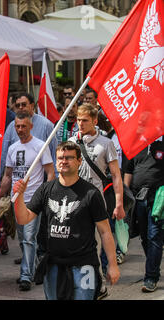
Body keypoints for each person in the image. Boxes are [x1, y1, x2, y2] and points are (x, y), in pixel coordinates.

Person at [12, 141, 120, 300]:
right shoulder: (45, 190)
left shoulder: (91, 193)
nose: (64, 161)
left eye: (69, 158)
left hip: (84, 265)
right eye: (61, 158)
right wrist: (19, 196)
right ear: (56, 161)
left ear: (79, 161)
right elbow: (23, 219)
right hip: (54, 264)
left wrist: (112, 265)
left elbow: (105, 231)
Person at [69, 103, 125, 299]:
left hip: (96, 203)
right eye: (78, 120)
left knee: (95, 246)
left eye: (85, 120)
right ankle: (79, 282)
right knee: (74, 244)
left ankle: (97, 284)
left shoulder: (106, 143)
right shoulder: (71, 143)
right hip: (73, 203)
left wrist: (119, 203)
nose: (80, 124)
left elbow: (116, 175)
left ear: (94, 121)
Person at [0, 111, 55, 291]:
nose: (20, 129)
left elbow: (50, 172)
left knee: (30, 238)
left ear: (31, 126)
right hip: (17, 201)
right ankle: (33, 266)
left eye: (23, 126)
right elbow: (8, 176)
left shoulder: (40, 146)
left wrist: (45, 195)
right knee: (23, 239)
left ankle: (25, 276)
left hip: (34, 200)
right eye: (17, 126)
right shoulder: (13, 148)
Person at [124, 137, 164, 293]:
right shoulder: (135, 144)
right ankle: (153, 265)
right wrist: (125, 196)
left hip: (158, 198)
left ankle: (151, 277)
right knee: (145, 236)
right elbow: (128, 171)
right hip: (138, 198)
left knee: (154, 235)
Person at [0, 92, 57, 179]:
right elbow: (4, 154)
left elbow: (54, 153)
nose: (20, 107)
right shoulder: (11, 127)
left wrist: (55, 181)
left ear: (32, 105)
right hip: (17, 183)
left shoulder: (46, 125)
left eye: (23, 104)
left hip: (41, 182)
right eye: (18, 105)